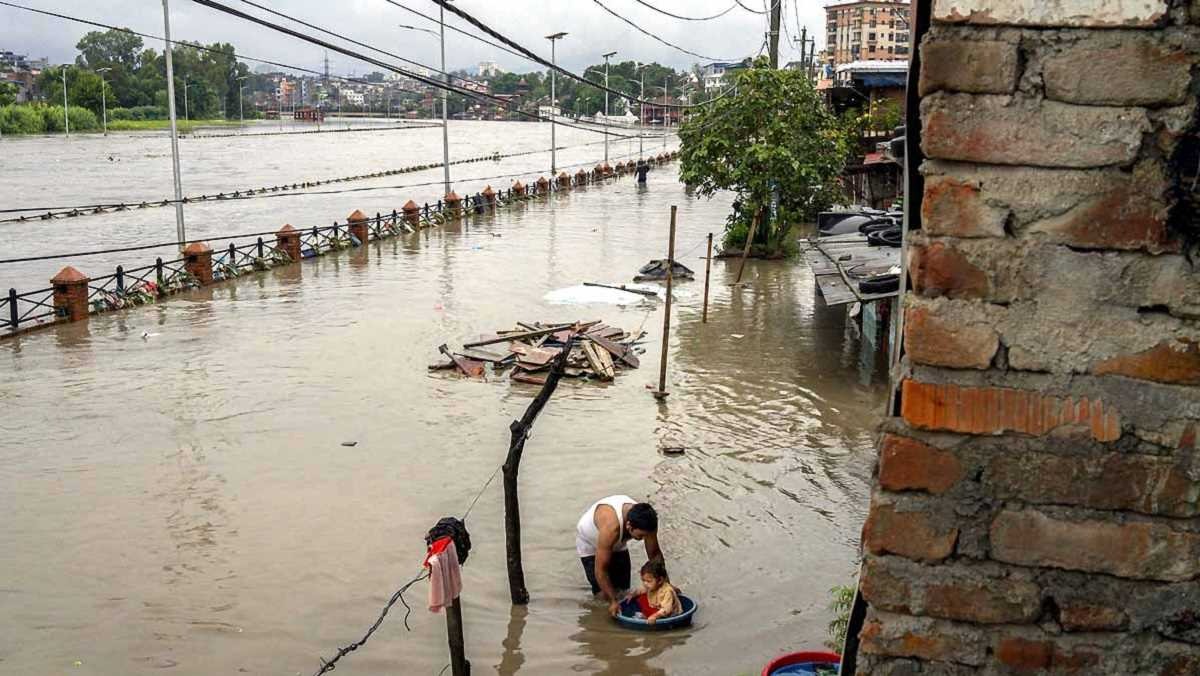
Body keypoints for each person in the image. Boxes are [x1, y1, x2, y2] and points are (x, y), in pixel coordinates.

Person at [575, 495, 663, 617]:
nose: (644, 539)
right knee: (603, 596)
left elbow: (654, 554)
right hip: (590, 543)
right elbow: (600, 570)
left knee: (623, 591)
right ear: (629, 526)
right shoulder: (611, 528)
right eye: (641, 536)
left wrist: (664, 584)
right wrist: (612, 601)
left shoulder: (649, 523)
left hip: (617, 542)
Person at [631, 559, 681, 625]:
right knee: (641, 598)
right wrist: (632, 594)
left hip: (670, 615)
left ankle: (649, 617)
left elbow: (667, 609)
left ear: (660, 580)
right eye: (643, 580)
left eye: (648, 581)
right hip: (657, 607)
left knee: (662, 613)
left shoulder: (667, 591)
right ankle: (648, 616)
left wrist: (655, 616)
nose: (645, 584)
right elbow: (641, 590)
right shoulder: (651, 586)